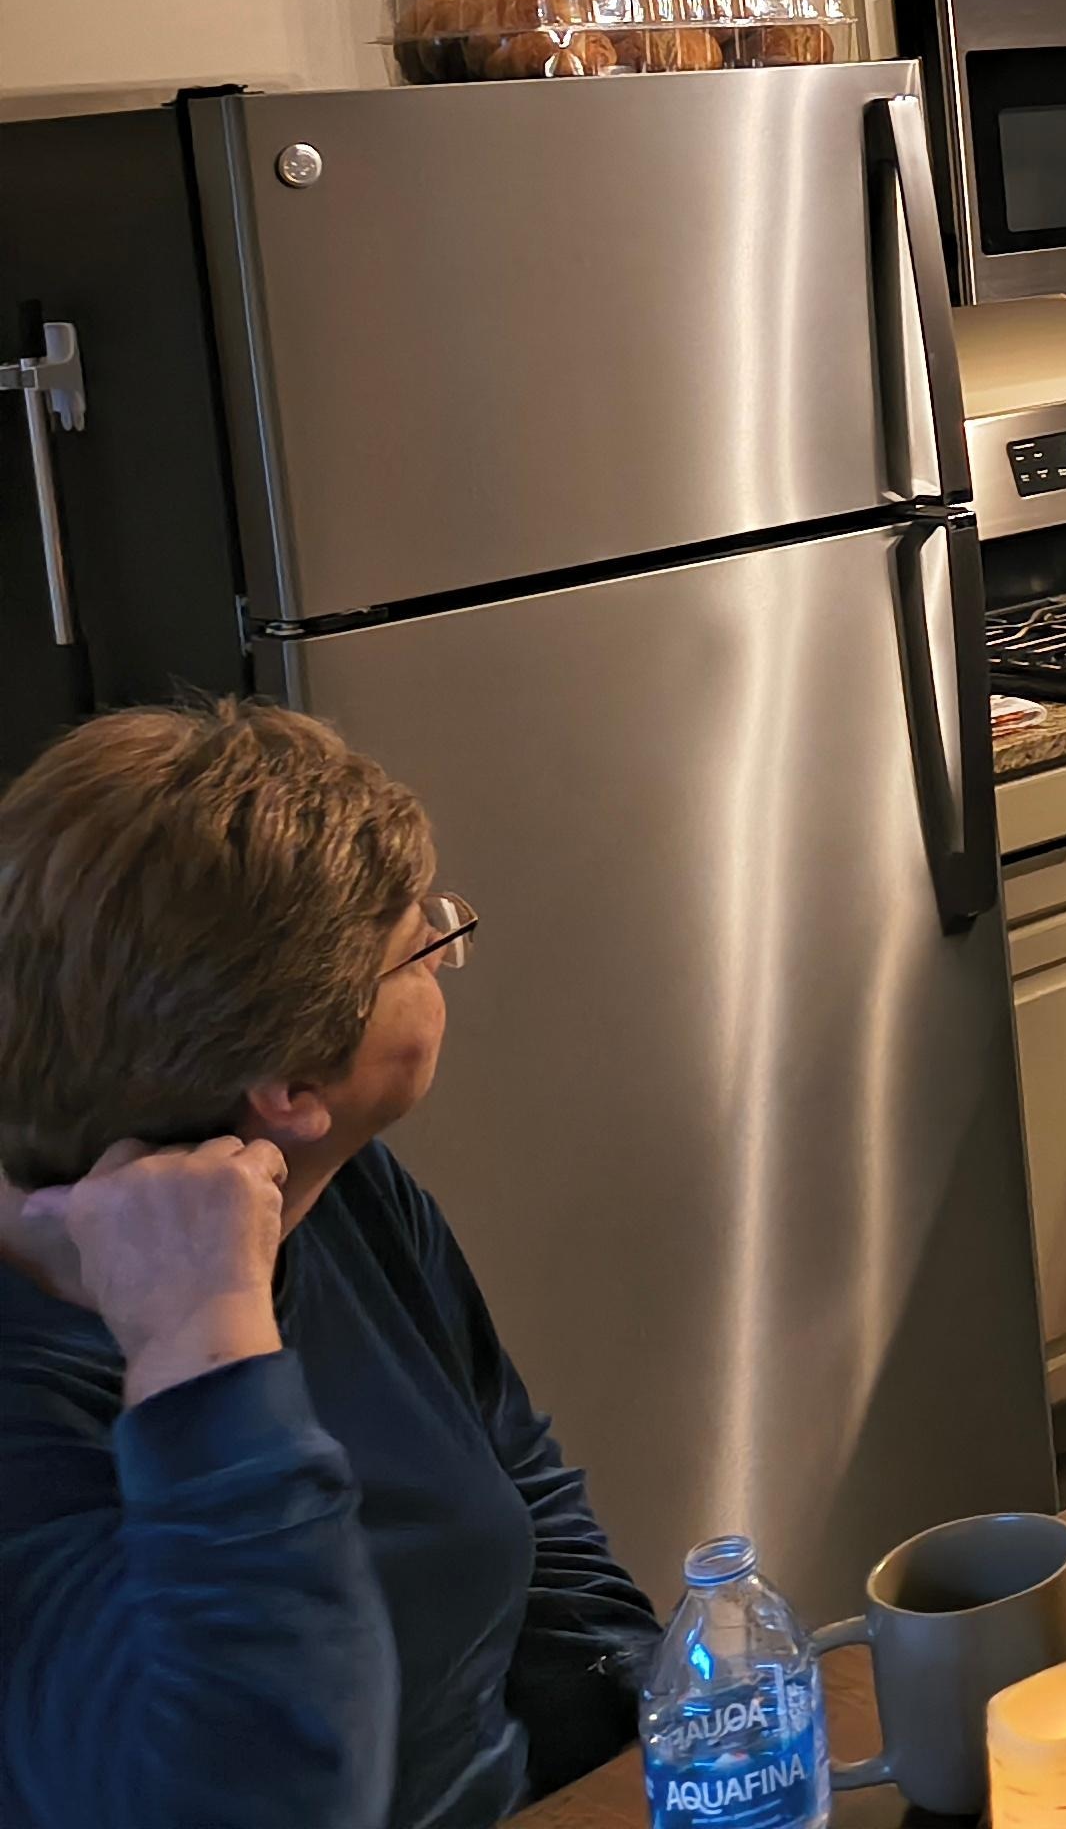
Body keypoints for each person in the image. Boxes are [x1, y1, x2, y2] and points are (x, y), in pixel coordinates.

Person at [0, 702, 659, 1827]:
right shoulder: (32, 1401)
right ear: (293, 1091)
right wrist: (198, 1347)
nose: (448, 947)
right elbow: (267, 1796)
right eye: (421, 943)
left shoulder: (337, 1190)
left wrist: (653, 1722)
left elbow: (521, 1496)